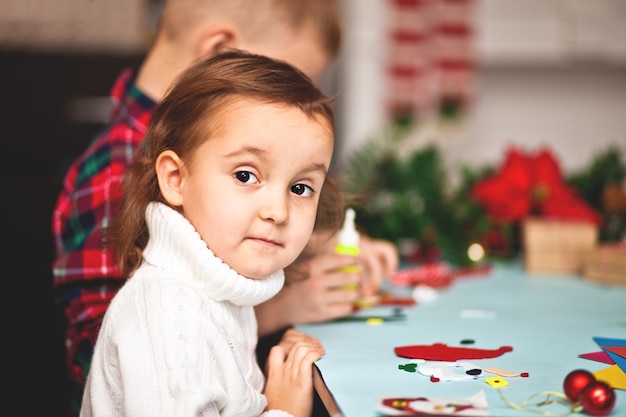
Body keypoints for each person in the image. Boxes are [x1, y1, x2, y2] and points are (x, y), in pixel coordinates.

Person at [52, 1, 399, 414]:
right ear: (220, 52)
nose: (295, 104)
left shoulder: (206, 168)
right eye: (276, 80)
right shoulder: (118, 175)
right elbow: (112, 355)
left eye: (302, 187)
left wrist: (322, 241)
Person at [82, 50, 339, 417]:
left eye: (300, 188)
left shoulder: (220, 294)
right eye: (245, 175)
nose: (278, 212)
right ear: (176, 179)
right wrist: (284, 412)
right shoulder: (168, 313)